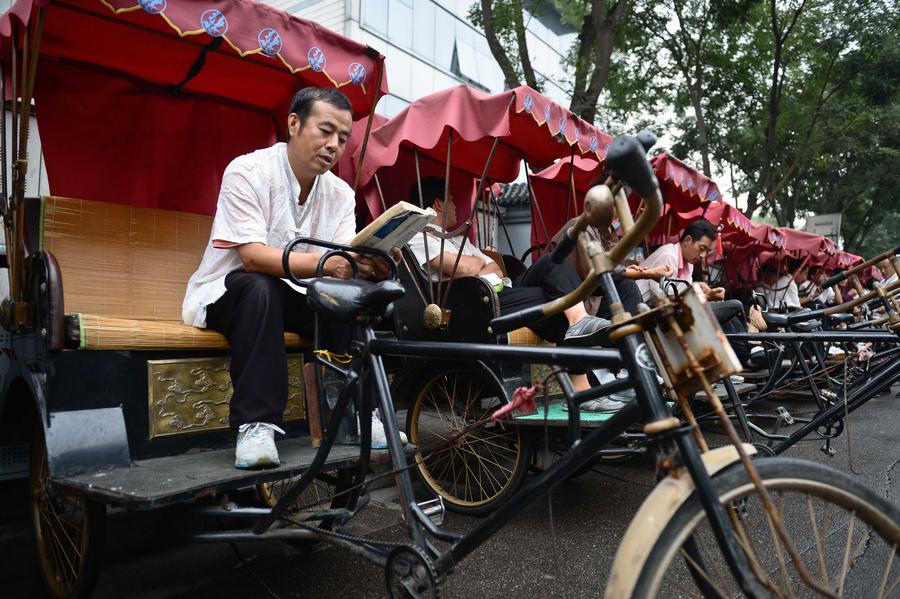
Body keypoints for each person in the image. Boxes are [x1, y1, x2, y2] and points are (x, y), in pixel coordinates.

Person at [183, 88, 401, 470]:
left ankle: (354, 415)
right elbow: (251, 257)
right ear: (294, 124)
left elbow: (341, 264)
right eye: (325, 130)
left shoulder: (340, 193)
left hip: (295, 296)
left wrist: (368, 264)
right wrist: (330, 265)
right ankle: (256, 425)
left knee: (352, 297)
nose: (334, 145)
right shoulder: (247, 171)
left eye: (343, 138)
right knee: (260, 286)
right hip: (230, 291)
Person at [407, 177, 616, 408]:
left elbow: (493, 267)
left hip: (503, 290)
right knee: (558, 299)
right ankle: (580, 378)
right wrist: (477, 266)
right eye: (452, 201)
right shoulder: (419, 237)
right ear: (438, 203)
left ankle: (579, 323)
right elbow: (464, 267)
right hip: (474, 302)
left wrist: (477, 267)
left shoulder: (457, 239)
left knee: (553, 263)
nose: (456, 206)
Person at [635, 219, 752, 368]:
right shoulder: (668, 255)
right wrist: (706, 296)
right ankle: (744, 357)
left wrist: (703, 290)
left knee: (728, 312)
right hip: (649, 312)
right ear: (688, 240)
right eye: (701, 248)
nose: (703, 255)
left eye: (707, 251)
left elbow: (681, 291)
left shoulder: (688, 264)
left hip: (669, 312)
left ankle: (741, 358)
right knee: (735, 306)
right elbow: (665, 298)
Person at [550, 216, 673, 319]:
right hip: (567, 300)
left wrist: (629, 270)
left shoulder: (607, 231)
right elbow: (599, 268)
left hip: (589, 292)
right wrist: (645, 274)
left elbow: (611, 265)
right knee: (627, 287)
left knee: (627, 287)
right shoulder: (581, 226)